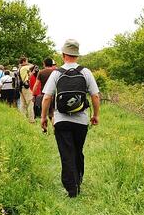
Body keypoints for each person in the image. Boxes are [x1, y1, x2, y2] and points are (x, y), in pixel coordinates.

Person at [41, 39, 100, 198]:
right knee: (77, 151)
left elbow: (47, 98)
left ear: (63, 54)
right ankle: (78, 180)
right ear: (77, 55)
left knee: (66, 153)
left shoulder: (56, 73)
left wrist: (44, 118)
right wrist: (95, 115)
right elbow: (95, 95)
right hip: (81, 121)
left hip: (61, 120)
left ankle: (71, 188)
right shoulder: (85, 72)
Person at [18, 56, 35, 123]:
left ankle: (23, 119)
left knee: (23, 104)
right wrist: (28, 64)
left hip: (21, 87)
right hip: (26, 87)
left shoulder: (19, 68)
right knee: (30, 103)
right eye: (27, 61)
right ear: (24, 61)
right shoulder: (25, 67)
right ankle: (31, 119)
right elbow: (33, 66)